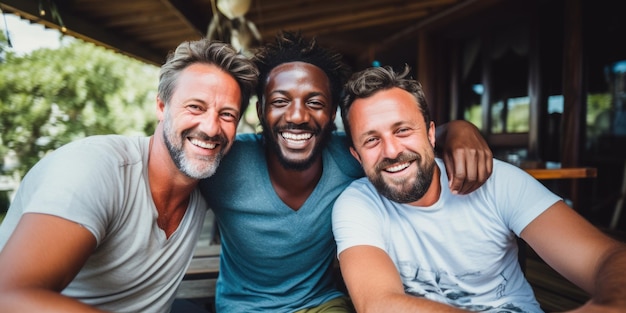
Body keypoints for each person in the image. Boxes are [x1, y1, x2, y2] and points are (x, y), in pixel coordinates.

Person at [198, 31, 493, 312]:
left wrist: (457, 130)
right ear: (261, 110)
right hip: (244, 307)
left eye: (315, 102)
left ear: (333, 115)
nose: (298, 116)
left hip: (323, 301)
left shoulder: (350, 156)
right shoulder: (226, 163)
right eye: (279, 101)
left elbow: (409, 143)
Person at [332, 65, 626, 313]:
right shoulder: (357, 204)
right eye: (371, 140)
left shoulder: (500, 182)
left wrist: (611, 304)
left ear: (432, 133)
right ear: (357, 156)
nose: (392, 150)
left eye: (403, 130)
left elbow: (606, 259)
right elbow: (379, 304)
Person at [0, 39, 258, 313]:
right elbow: (9, 296)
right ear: (161, 106)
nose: (210, 127)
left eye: (227, 114)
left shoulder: (212, 178)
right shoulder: (94, 169)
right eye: (195, 107)